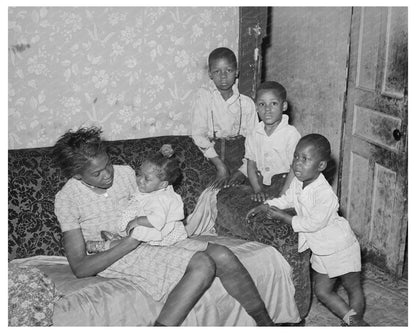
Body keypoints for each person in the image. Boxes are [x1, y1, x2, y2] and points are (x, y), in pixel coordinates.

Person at [52, 126, 276, 326]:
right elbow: (80, 268)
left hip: (152, 237)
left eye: (108, 164)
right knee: (203, 263)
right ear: (78, 175)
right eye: (97, 173)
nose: (108, 173)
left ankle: (266, 325)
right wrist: (131, 242)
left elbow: (158, 201)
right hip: (115, 253)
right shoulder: (67, 199)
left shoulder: (126, 174)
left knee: (224, 255)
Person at [247, 134, 369, 326]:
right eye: (296, 157)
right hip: (321, 249)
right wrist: (267, 205)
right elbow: (287, 199)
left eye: (305, 159)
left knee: (352, 288)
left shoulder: (325, 194)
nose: (297, 163)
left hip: (341, 247)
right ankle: (352, 319)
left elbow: (313, 223)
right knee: (322, 291)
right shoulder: (298, 181)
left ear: (321, 166)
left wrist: (284, 217)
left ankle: (356, 323)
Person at [86, 145, 188, 253]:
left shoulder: (161, 199)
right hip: (150, 225)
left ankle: (105, 245)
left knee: (137, 233)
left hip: (160, 230)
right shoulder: (151, 188)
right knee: (134, 228)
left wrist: (137, 221)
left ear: (162, 184)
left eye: (147, 178)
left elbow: (157, 220)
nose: (140, 180)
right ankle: (120, 238)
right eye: (139, 174)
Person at [191, 47, 258, 189]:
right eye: (217, 71)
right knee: (212, 194)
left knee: (243, 195)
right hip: (212, 159)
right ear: (210, 74)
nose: (223, 76)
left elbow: (255, 141)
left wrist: (244, 171)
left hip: (242, 162)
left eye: (228, 70)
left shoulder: (246, 104)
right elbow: (198, 135)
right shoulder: (205, 98)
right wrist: (220, 167)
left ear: (236, 72)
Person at [245, 81, 300, 202]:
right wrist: (257, 190)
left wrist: (282, 195)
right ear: (256, 107)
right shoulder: (253, 134)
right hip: (261, 184)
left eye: (273, 103)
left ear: (284, 106)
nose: (267, 109)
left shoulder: (291, 134)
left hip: (286, 184)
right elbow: (251, 165)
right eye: (262, 104)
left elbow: (295, 168)